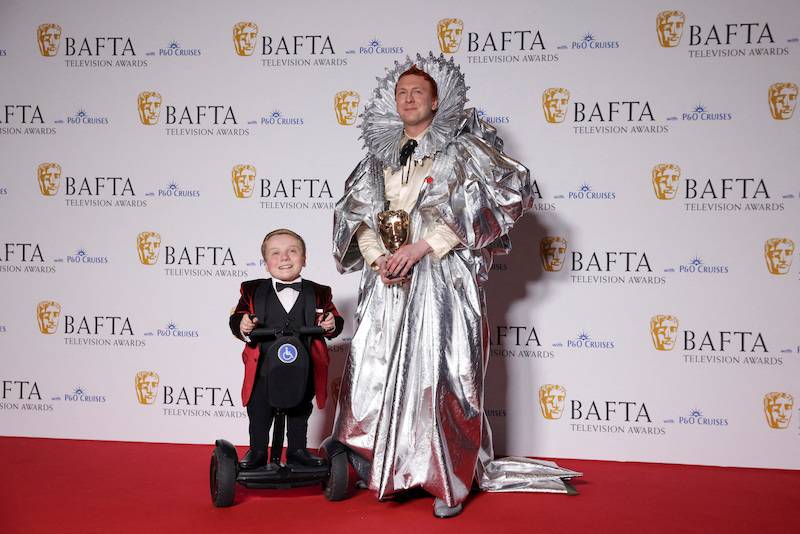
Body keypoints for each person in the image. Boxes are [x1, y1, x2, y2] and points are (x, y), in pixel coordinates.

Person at [331, 53, 579, 518]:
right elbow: (357, 216)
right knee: (378, 373)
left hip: (441, 279)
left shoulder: (462, 150)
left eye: (417, 92)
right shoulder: (376, 157)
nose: (408, 99)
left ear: (436, 101)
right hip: (386, 281)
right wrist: (379, 257)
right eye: (401, 92)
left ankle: (449, 480)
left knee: (442, 376)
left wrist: (421, 247)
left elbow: (508, 192)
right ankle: (393, 470)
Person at [230, 228, 344, 469]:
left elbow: (334, 319)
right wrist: (242, 323)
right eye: (276, 253)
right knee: (259, 409)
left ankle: (297, 450)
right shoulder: (251, 289)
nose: (284, 258)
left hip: (303, 366)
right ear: (265, 262)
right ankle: (258, 450)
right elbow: (238, 317)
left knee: (300, 408)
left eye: (293, 252)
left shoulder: (319, 292)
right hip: (263, 366)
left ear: (304, 259)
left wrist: (332, 324)